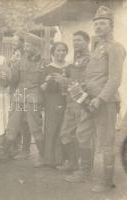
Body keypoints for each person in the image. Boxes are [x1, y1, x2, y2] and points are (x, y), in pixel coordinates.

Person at [65, 6, 126, 193]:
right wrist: (82, 87)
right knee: (83, 134)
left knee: (106, 142)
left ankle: (106, 181)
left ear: (111, 26)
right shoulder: (97, 47)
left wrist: (100, 98)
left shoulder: (116, 48)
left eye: (103, 23)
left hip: (104, 102)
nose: (99, 27)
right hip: (88, 100)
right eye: (96, 23)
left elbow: (115, 79)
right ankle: (85, 171)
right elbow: (93, 75)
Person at [4, 31, 45, 167]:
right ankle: (20, 151)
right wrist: (11, 70)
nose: (25, 48)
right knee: (16, 126)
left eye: (28, 46)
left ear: (36, 47)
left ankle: (43, 156)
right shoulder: (20, 61)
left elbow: (44, 84)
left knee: (35, 128)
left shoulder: (44, 63)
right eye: (25, 46)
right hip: (19, 98)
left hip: (33, 99)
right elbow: (14, 80)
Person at [57, 31, 90, 171]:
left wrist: (64, 80)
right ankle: (73, 163)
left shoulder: (90, 60)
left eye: (79, 40)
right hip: (71, 101)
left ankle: (84, 168)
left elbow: (85, 83)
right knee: (66, 133)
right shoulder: (75, 59)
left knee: (82, 136)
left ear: (87, 42)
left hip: (82, 102)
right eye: (74, 40)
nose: (75, 43)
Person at [41, 42, 69, 167]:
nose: (61, 53)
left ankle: (61, 159)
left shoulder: (70, 67)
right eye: (58, 50)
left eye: (63, 50)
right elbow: (42, 87)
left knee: (63, 128)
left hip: (66, 100)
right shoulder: (48, 68)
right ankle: (49, 159)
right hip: (52, 101)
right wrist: (47, 82)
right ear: (53, 52)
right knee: (51, 128)